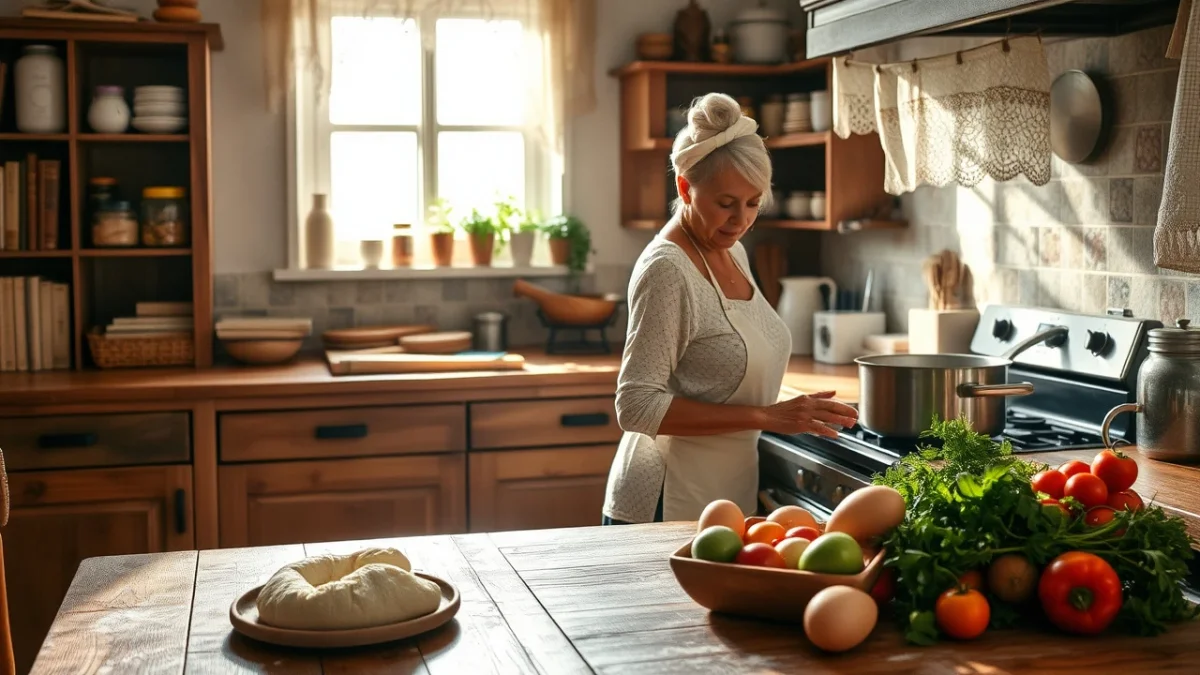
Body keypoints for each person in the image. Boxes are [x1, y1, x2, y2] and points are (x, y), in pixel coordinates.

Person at [602, 93, 859, 525]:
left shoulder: (731, 250)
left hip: (724, 491)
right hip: (666, 501)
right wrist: (767, 416)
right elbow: (636, 406)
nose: (740, 220)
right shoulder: (668, 270)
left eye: (753, 203)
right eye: (725, 203)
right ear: (685, 187)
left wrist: (790, 408)